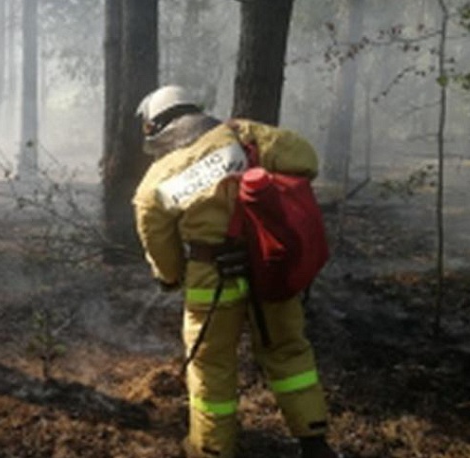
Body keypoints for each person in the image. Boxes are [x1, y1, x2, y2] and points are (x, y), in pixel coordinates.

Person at [132, 85, 340, 458]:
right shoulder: (243, 134)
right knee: (289, 351)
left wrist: (171, 277)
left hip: (210, 278)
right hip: (269, 264)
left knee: (211, 366)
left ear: (156, 127)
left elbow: (158, 242)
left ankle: (212, 449)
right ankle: (313, 441)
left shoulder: (156, 179)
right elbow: (306, 159)